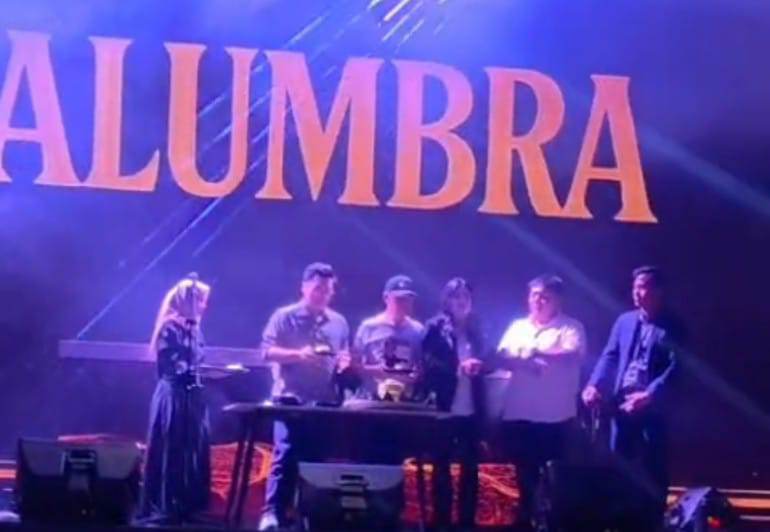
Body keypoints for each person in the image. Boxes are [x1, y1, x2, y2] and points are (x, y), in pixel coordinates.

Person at [582, 266, 684, 530]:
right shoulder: (624, 321)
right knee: (619, 463)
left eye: (644, 287)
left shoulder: (674, 326)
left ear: (659, 291)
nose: (638, 293)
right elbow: (610, 356)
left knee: (653, 467)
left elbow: (678, 368)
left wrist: (650, 395)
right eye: (636, 287)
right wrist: (594, 385)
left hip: (653, 406)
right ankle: (621, 520)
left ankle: (651, 522)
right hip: (622, 402)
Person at [258, 262, 351, 531]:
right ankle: (272, 513)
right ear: (304, 287)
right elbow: (266, 352)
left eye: (328, 290)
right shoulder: (284, 316)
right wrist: (298, 354)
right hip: (290, 399)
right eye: (318, 288)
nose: (323, 294)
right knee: (286, 455)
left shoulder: (339, 322)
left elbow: (343, 353)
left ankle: (310, 517)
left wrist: (344, 362)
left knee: (317, 461)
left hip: (324, 402)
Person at [497, 274, 586, 531]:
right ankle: (525, 521)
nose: (538, 301)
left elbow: (571, 355)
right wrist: (525, 361)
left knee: (552, 477)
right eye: (534, 295)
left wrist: (536, 353)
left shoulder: (570, 327)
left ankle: (550, 523)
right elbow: (501, 355)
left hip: (554, 417)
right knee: (523, 473)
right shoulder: (517, 326)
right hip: (520, 413)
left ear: (558, 300)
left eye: (545, 296)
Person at [139, 273, 212, 525]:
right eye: (200, 300)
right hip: (174, 396)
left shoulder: (194, 329)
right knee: (173, 448)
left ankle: (189, 504)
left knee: (191, 449)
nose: (204, 305)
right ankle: (166, 505)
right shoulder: (169, 327)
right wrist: (187, 369)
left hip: (192, 396)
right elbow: (171, 364)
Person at [420, 277, 486, 530]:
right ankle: (441, 523)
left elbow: (488, 358)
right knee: (441, 467)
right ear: (446, 300)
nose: (462, 301)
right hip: (444, 407)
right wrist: (459, 367)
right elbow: (428, 364)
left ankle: (467, 523)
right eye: (456, 296)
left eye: (466, 296)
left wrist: (480, 364)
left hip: (471, 408)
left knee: (471, 468)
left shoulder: (477, 328)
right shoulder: (435, 328)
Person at [354, 275, 425, 402]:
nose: (404, 304)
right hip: (372, 400)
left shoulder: (418, 331)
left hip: (405, 401)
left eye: (408, 299)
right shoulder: (369, 327)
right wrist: (376, 371)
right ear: (386, 298)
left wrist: (409, 376)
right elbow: (354, 365)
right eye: (399, 299)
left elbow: (421, 368)